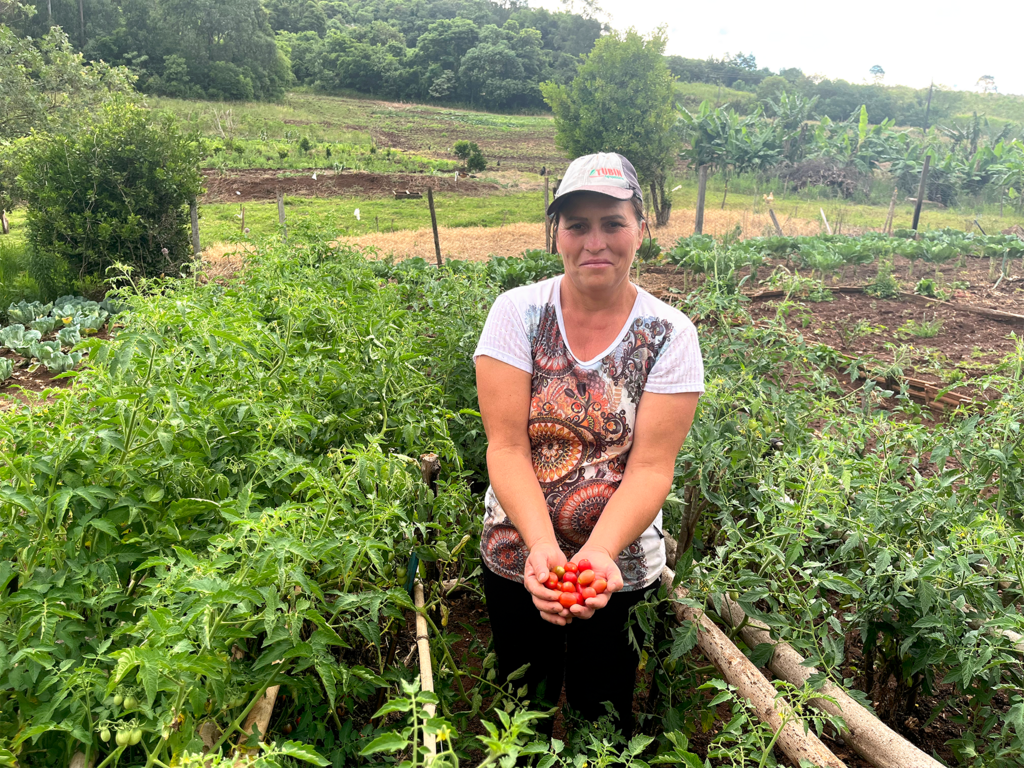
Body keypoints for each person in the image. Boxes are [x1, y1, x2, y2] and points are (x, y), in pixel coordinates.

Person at [473, 152, 704, 734]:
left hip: (618, 566)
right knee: (519, 714)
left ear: (641, 230)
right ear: (557, 235)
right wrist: (541, 546)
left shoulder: (669, 334)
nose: (594, 242)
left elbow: (651, 468)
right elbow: (506, 448)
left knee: (602, 716)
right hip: (518, 554)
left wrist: (599, 553)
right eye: (577, 225)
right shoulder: (518, 314)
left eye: (612, 223)